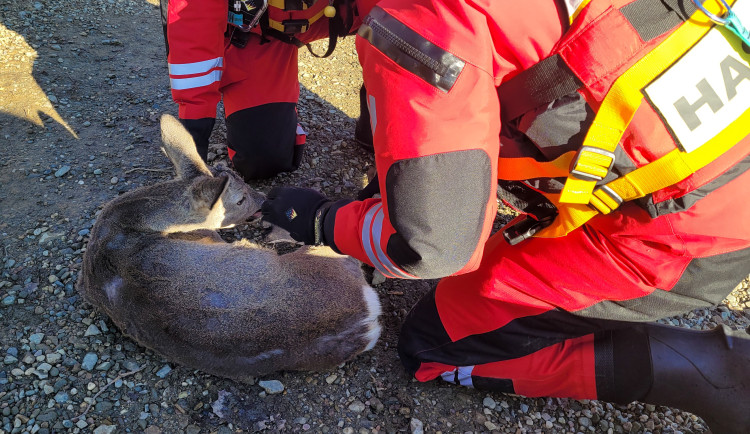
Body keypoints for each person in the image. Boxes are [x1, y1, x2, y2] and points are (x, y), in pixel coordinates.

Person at [262, 0, 750, 432]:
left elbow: (430, 247)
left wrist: (325, 221)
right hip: (708, 160)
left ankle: (701, 371)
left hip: (684, 236)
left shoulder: (428, 19)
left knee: (435, 347)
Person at [161, 0, 377, 180]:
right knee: (263, 158)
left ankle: (375, 126)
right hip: (260, 32)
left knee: (393, 29)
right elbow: (194, 23)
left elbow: (400, 24)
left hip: (344, 14)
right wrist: (193, 130)